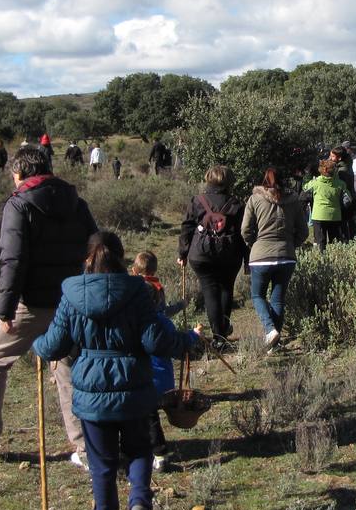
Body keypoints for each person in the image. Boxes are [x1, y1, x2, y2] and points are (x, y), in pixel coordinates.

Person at [32, 232, 204, 510]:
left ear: (87, 259)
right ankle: (139, 505)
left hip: (91, 393)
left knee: (102, 462)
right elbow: (156, 341)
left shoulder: (72, 294)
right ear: (123, 258)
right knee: (139, 451)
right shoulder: (137, 292)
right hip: (134, 388)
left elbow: (54, 345)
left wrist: (37, 344)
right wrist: (186, 341)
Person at [0, 146, 99, 468]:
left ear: (20, 173)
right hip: (70, 302)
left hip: (31, 304)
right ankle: (86, 449)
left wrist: (5, 308)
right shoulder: (76, 202)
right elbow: (96, 248)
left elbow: (13, 260)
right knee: (67, 369)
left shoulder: (18, 204)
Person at [130, 250, 186, 473]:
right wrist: (180, 307)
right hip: (161, 374)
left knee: (147, 414)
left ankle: (158, 453)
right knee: (149, 414)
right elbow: (167, 322)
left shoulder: (133, 292)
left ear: (134, 270)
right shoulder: (158, 294)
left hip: (143, 374)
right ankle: (156, 453)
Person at [242, 168, 309, 350]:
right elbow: (304, 231)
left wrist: (253, 244)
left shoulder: (255, 199)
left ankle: (270, 330)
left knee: (257, 295)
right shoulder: (293, 200)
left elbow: (245, 229)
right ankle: (275, 344)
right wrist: (291, 244)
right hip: (286, 256)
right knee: (278, 300)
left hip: (261, 256)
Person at [178, 166, 246, 342]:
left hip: (201, 254)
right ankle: (222, 334)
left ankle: (218, 336)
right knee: (226, 289)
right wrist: (247, 259)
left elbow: (187, 227)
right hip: (230, 254)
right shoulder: (237, 204)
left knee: (210, 292)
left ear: (209, 179)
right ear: (230, 182)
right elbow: (244, 233)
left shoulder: (197, 200)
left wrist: (182, 253)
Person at [302, 158, 346, 250]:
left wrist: (307, 176)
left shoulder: (315, 183)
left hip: (319, 216)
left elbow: (305, 189)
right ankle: (336, 256)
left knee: (320, 241)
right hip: (335, 216)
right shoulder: (341, 184)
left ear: (323, 170)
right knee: (335, 241)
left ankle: (322, 257)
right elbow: (348, 199)